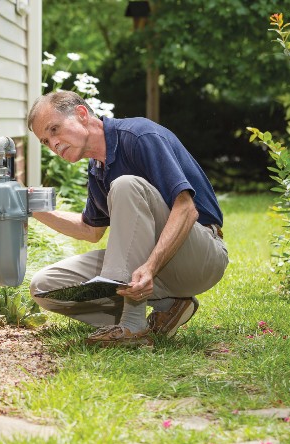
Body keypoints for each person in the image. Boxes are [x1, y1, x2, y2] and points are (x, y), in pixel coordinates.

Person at [26, 91, 228, 346]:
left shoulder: (139, 136)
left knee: (126, 185)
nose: (53, 143)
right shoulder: (97, 168)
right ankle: (169, 306)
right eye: (45, 141)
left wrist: (150, 266)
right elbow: (90, 230)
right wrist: (33, 209)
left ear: (82, 114)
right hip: (154, 270)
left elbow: (187, 209)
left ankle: (133, 325)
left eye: (54, 129)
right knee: (44, 286)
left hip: (199, 256)